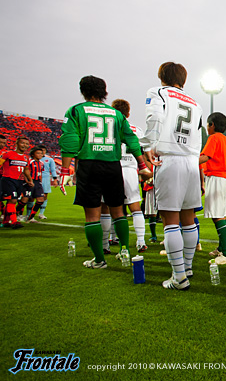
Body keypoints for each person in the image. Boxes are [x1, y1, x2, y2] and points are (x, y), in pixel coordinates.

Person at [59, 75, 149, 270]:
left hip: (89, 164)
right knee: (119, 212)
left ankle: (99, 259)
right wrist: (142, 164)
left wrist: (65, 169)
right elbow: (131, 139)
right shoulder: (116, 114)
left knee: (92, 216)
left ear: (83, 91)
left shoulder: (76, 110)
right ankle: (124, 251)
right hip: (112, 165)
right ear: (104, 92)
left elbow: (70, 140)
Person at [141, 62, 202, 290]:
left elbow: (154, 119)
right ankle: (187, 267)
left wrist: (147, 145)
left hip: (170, 158)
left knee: (170, 220)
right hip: (191, 161)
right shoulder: (196, 102)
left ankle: (179, 277)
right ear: (183, 79)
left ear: (162, 77)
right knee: (188, 219)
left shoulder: (157, 92)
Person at [111, 99, 148, 253]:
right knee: (135, 208)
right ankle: (141, 241)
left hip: (113, 167)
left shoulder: (110, 125)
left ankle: (109, 241)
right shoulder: (137, 130)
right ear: (128, 112)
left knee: (110, 208)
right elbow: (144, 150)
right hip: (131, 169)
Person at [200, 112, 226, 265]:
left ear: (212, 125)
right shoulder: (225, 139)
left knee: (218, 215)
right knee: (218, 214)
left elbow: (205, 157)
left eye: (208, 125)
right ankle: (222, 247)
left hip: (217, 177)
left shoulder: (213, 138)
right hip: (224, 178)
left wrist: (187, 161)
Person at [0, 136, 33, 229]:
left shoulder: (26, 157)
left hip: (19, 181)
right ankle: (14, 222)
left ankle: (5, 221)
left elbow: (26, 169)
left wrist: (30, 180)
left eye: (26, 144)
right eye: (22, 143)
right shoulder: (8, 154)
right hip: (8, 180)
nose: (25, 145)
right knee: (12, 200)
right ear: (17, 143)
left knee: (11, 201)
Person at [24, 146, 46, 223]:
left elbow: (40, 173)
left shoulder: (41, 163)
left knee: (40, 200)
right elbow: (25, 172)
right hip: (30, 181)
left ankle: (30, 218)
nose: (40, 155)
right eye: (38, 153)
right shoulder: (30, 162)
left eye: (41, 153)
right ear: (33, 154)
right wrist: (27, 181)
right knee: (24, 200)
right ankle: (15, 215)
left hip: (37, 182)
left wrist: (40, 182)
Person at [36, 145, 56, 220]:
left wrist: (55, 179)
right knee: (31, 196)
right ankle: (28, 214)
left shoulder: (49, 159)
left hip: (46, 178)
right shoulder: (32, 160)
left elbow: (53, 169)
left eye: (43, 150)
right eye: (40, 150)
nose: (42, 152)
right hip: (35, 178)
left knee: (44, 195)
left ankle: (41, 213)